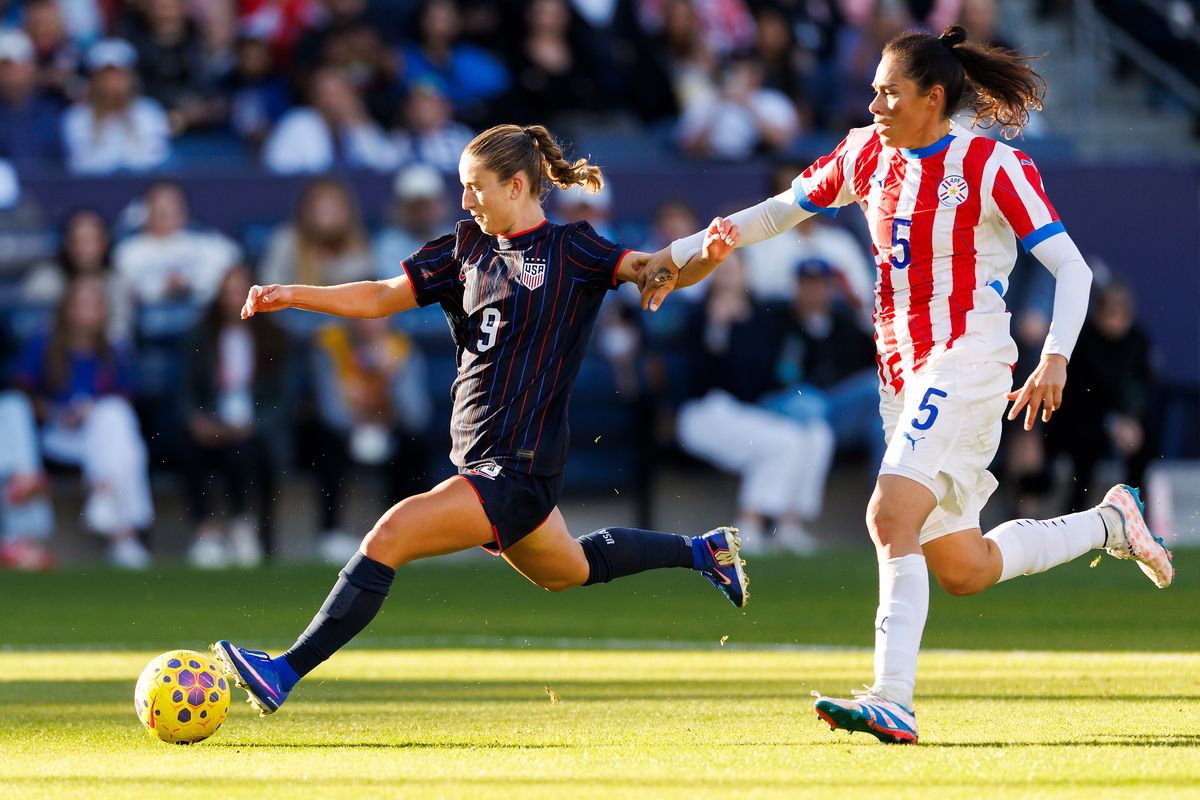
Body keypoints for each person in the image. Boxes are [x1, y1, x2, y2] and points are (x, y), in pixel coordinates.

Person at [642, 25, 1175, 744]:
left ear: (932, 98)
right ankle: (1111, 522)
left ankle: (892, 697)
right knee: (962, 565)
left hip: (967, 360)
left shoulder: (990, 165)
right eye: (872, 91)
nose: (875, 104)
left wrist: (1056, 355)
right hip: (903, 382)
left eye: (889, 92)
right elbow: (783, 208)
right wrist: (681, 254)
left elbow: (1072, 270)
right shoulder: (867, 152)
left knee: (888, 512)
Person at [212, 123, 747, 716]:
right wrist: (295, 294)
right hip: (482, 459)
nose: (465, 200)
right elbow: (382, 295)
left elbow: (656, 268)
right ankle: (705, 551)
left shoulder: (574, 249)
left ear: (517, 186)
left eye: (475, 188)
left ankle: (282, 672)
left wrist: (705, 256)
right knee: (567, 570)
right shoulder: (465, 248)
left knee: (389, 535)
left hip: (518, 466)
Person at [16, 274, 154, 569]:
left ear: (104, 310)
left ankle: (105, 498)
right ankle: (124, 535)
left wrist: (91, 412)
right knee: (122, 436)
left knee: (113, 416)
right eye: (82, 304)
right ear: (68, 309)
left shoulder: (114, 349)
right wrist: (57, 413)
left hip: (100, 438)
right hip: (56, 434)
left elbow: (125, 402)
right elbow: (24, 400)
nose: (88, 311)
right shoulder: (44, 343)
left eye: (94, 304)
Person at [179, 265, 289, 568]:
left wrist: (254, 424)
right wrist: (198, 420)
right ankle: (207, 532)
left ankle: (243, 525)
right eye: (229, 294)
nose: (234, 301)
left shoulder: (276, 338)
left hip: (257, 429)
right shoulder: (200, 337)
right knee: (189, 446)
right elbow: (186, 391)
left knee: (245, 451)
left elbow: (283, 400)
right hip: (214, 423)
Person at [61, 38, 171, 174]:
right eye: (105, 77)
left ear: (131, 78)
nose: (112, 84)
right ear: (94, 80)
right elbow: (82, 164)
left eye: (119, 76)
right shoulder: (76, 117)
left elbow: (155, 159)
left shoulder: (149, 112)